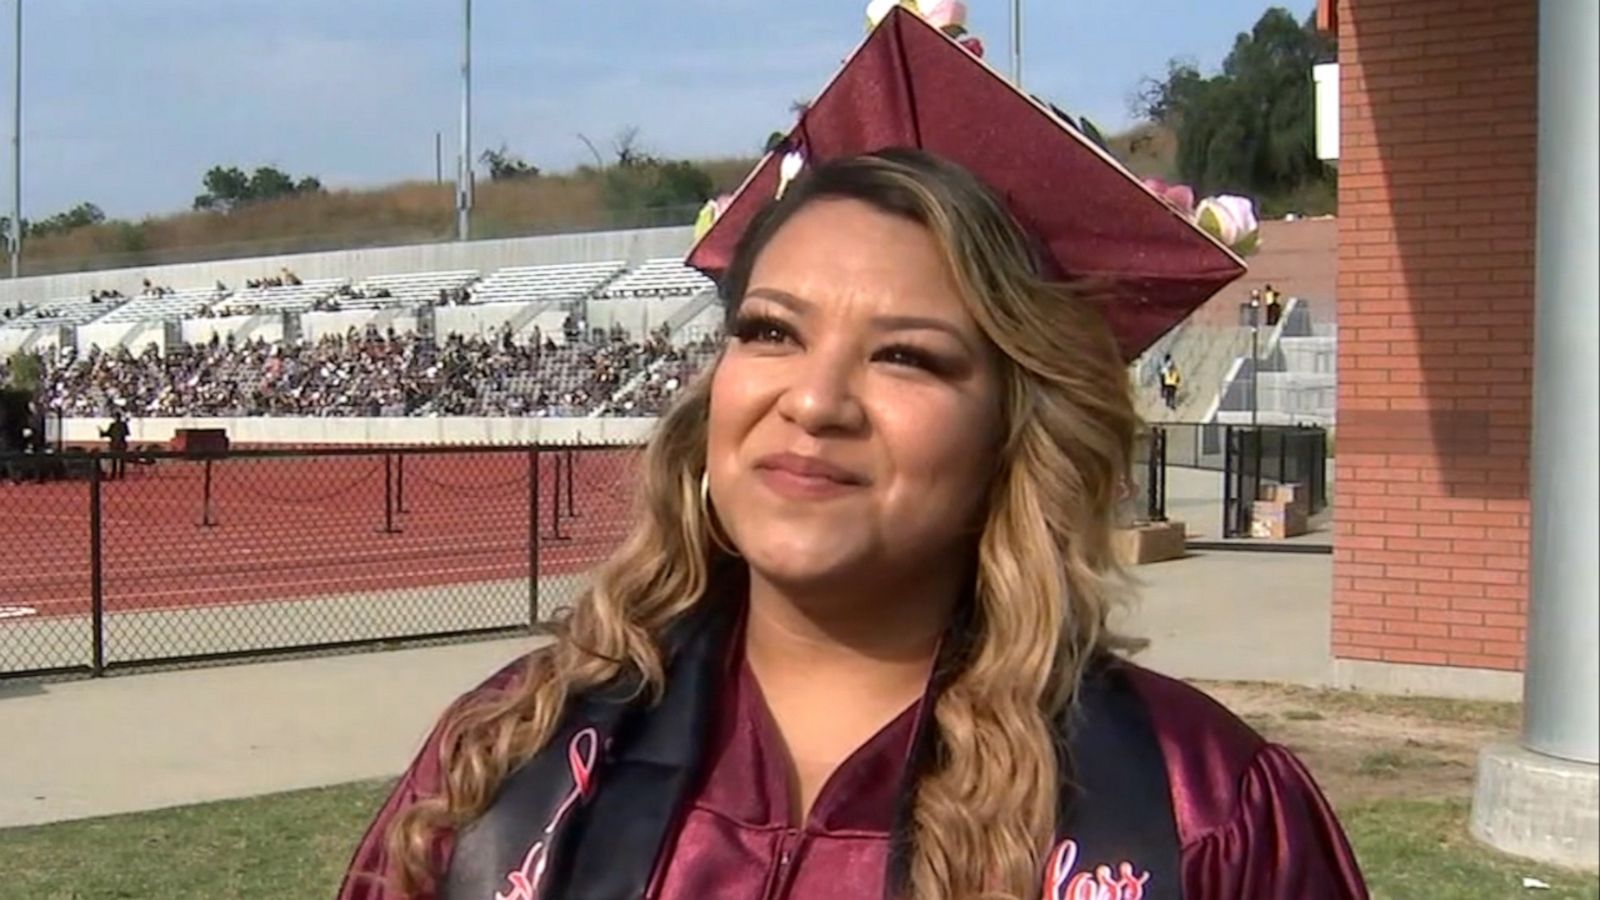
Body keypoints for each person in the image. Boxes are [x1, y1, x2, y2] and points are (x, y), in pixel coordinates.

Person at [340, 9, 1366, 900]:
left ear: (1016, 430)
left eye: (907, 357)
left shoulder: (1193, 815)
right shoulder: (509, 760)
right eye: (772, 332)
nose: (816, 400)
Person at [100, 410, 130, 480]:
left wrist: (102, 433)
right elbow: (127, 433)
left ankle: (114, 475)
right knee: (120, 460)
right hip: (121, 444)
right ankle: (120, 475)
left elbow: (107, 434)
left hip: (115, 444)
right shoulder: (123, 425)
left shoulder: (113, 425)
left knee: (115, 460)